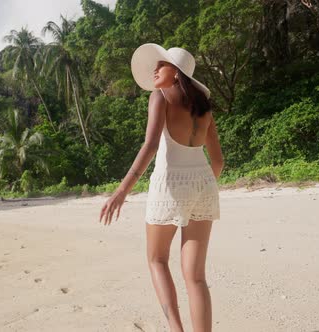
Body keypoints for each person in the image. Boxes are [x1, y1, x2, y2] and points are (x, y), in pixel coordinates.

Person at [99, 43, 224, 332]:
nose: (155, 69)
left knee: (157, 260)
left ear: (177, 73)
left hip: (171, 184)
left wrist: (121, 191)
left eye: (162, 64)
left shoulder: (160, 97)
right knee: (196, 277)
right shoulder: (204, 109)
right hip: (204, 184)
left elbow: (151, 145)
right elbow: (217, 161)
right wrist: (201, 188)